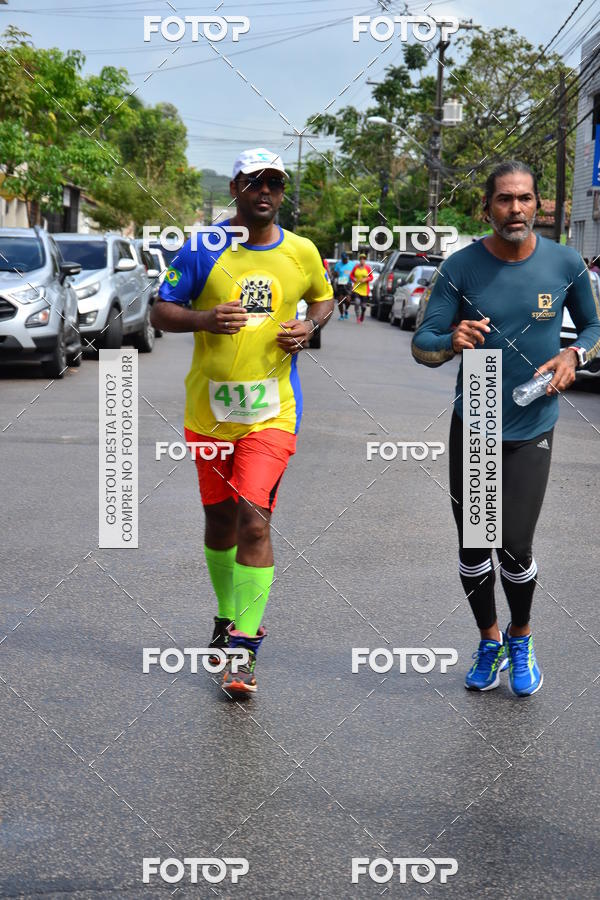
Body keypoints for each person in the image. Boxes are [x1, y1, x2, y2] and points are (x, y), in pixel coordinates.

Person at [412, 159, 600, 697]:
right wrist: (452, 341)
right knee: (475, 547)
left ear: (539, 205)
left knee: (513, 543)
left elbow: (593, 325)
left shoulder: (565, 263)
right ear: (487, 207)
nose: (515, 209)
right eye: (504, 200)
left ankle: (521, 637)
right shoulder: (460, 268)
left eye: (524, 199)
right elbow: (421, 344)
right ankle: (489, 639)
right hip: (477, 412)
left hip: (533, 417)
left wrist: (575, 354)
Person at [151, 147, 334, 695]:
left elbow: (324, 300)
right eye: (254, 182)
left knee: (254, 519)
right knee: (220, 522)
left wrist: (308, 326)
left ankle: (244, 649)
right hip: (208, 414)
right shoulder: (203, 247)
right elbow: (161, 309)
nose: (264, 192)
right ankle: (226, 616)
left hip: (273, 414)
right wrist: (204, 318)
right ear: (234, 187)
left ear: (282, 192)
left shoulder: (301, 251)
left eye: (274, 184)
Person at [350, 253, 373, 323]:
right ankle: (358, 316)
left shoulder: (368, 268)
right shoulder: (356, 267)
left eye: (364, 259)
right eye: (361, 259)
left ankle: (362, 314)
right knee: (357, 302)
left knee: (363, 306)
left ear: (365, 260)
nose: (362, 260)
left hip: (364, 289)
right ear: (359, 260)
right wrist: (354, 279)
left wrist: (366, 279)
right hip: (357, 288)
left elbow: (371, 277)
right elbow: (351, 275)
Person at [333, 252, 354, 319]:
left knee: (348, 300)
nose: (345, 260)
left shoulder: (352, 264)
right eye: (344, 259)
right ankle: (341, 315)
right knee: (340, 301)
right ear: (342, 259)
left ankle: (346, 310)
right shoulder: (338, 264)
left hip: (348, 284)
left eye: (346, 259)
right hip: (340, 283)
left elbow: (354, 273)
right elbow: (335, 273)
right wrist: (336, 274)